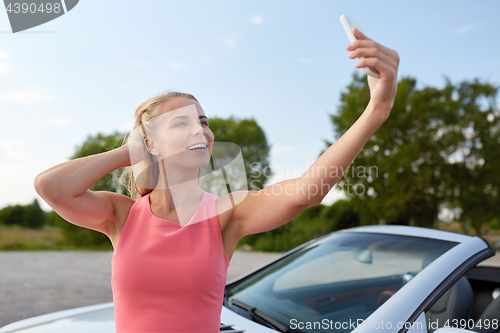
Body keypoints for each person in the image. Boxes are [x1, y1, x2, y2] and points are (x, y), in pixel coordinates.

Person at [33, 27, 399, 333]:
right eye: (182, 122)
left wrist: (376, 110)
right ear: (152, 144)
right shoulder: (122, 214)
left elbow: (305, 192)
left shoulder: (227, 213)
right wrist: (130, 151)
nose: (201, 131)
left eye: (204, 122)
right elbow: (50, 186)